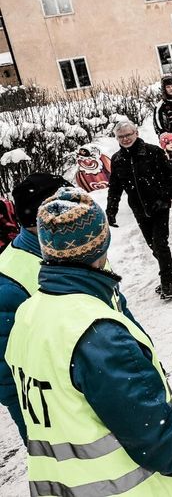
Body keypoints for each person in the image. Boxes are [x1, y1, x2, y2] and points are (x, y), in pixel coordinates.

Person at [4, 189, 172, 495]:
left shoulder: (29, 314)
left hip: (59, 486)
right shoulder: (95, 331)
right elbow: (151, 432)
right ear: (99, 246)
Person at [0, 173, 70, 443]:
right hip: (60, 412)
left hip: (105, 387)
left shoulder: (76, 245)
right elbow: (7, 375)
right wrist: (37, 431)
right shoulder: (9, 280)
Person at [106, 120, 172, 300]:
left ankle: (166, 282)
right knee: (152, 245)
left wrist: (163, 198)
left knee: (160, 244)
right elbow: (115, 186)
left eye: (128, 135)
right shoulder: (117, 159)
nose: (125, 139)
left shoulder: (153, 152)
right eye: (120, 136)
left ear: (136, 133)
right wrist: (111, 209)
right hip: (139, 208)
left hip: (159, 206)